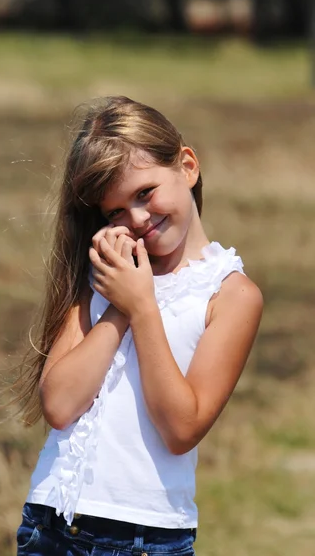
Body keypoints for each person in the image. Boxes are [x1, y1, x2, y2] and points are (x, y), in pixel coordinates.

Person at [15, 96, 263, 556]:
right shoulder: (105, 278)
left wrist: (143, 306)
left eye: (145, 193)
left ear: (187, 166)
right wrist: (119, 305)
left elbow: (180, 428)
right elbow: (61, 405)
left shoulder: (230, 295)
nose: (138, 219)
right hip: (49, 523)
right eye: (116, 212)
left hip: (143, 538)